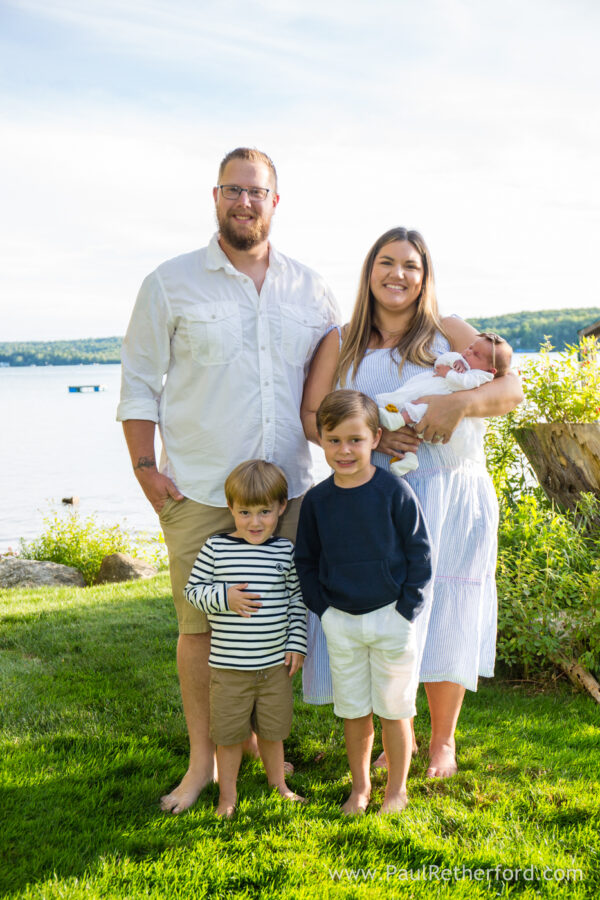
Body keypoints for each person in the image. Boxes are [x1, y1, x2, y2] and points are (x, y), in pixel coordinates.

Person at [117, 147, 338, 814]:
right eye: (233, 190)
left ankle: (255, 743)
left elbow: (337, 377)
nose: (245, 202)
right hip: (201, 492)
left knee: (272, 623)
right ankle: (202, 763)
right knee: (200, 628)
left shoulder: (312, 289)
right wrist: (145, 468)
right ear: (215, 197)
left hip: (290, 493)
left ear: (276, 201)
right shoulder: (170, 282)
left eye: (257, 192)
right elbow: (137, 384)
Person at [300, 227, 523, 779]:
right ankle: (396, 730)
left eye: (411, 266)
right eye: (386, 262)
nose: (398, 274)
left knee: (448, 605)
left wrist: (461, 405)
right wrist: (372, 436)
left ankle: (442, 741)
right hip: (377, 498)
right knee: (384, 609)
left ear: (425, 277)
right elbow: (312, 418)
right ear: (369, 271)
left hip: (451, 488)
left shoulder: (448, 330)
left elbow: (512, 391)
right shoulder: (342, 340)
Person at [295, 390, 432, 814]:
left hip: (392, 617)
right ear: (321, 440)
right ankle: (360, 789)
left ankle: (396, 791)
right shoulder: (317, 500)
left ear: (375, 438)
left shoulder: (394, 491)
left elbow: (420, 555)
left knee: (395, 709)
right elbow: (307, 559)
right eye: (333, 440)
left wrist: (406, 610)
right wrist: (325, 611)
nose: (345, 450)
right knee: (354, 710)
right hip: (341, 622)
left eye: (355, 439)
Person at [184, 460, 307, 817]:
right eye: (245, 512)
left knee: (273, 731)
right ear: (231, 510)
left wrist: (296, 643)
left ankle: (279, 785)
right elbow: (193, 592)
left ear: (281, 508)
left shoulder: (283, 551)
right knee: (228, 735)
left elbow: (296, 602)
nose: (255, 522)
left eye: (265, 512)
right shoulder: (216, 548)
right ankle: (228, 797)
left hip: (273, 669)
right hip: (229, 670)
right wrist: (225, 597)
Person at [377, 333, 513, 475]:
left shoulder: (482, 376)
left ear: (491, 370)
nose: (468, 352)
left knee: (422, 410)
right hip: (433, 398)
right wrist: (454, 361)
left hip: (440, 412)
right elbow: (440, 362)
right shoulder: (460, 359)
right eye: (470, 347)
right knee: (411, 436)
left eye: (476, 354)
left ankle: (399, 419)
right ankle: (410, 458)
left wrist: (449, 373)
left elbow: (464, 383)